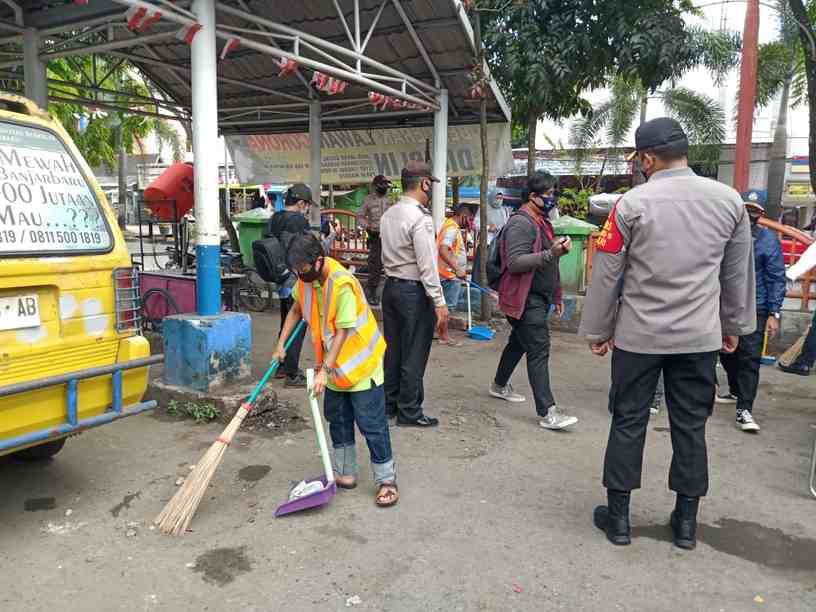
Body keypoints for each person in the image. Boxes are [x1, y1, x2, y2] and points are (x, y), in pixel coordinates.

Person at [579, 117, 756, 550]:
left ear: (647, 158)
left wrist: (599, 329)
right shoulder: (729, 202)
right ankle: (686, 525)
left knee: (628, 421)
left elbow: (607, 271)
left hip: (639, 337)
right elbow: (737, 273)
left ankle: (619, 521)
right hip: (699, 337)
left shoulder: (631, 204)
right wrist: (733, 326)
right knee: (691, 426)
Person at [274, 234, 398, 507]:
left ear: (319, 260)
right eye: (296, 271)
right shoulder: (306, 281)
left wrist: (323, 372)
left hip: (361, 366)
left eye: (303, 269)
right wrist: (281, 344)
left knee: (371, 424)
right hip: (332, 368)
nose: (300, 275)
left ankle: (386, 480)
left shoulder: (342, 284)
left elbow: (343, 332)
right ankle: (345, 473)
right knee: (338, 419)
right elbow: (295, 310)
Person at [489, 172, 578, 430]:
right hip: (524, 298)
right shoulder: (521, 223)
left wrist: (556, 294)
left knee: (518, 342)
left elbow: (550, 263)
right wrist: (552, 252)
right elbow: (515, 262)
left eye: (554, 193)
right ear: (532, 196)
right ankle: (548, 412)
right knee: (539, 348)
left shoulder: (541, 221)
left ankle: (499, 385)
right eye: (549, 194)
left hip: (536, 296)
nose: (553, 198)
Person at [379, 161, 448, 428]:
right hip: (413, 292)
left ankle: (389, 404)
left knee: (394, 350)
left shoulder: (389, 214)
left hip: (391, 288)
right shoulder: (420, 218)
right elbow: (427, 264)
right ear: (424, 183)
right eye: (431, 185)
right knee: (414, 352)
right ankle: (409, 411)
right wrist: (439, 301)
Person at [716, 199, 785, 432]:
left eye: (754, 211)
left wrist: (774, 312)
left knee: (749, 358)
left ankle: (744, 409)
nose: (749, 215)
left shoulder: (768, 240)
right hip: (724, 304)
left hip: (756, 307)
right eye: (746, 210)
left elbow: (776, 277)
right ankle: (736, 390)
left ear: (760, 214)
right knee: (725, 353)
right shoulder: (724, 235)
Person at [266, 183, 313, 388]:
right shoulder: (298, 221)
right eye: (307, 205)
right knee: (297, 327)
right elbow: (304, 249)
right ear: (301, 203)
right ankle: (292, 374)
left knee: (286, 322)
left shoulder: (275, 218)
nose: (307, 209)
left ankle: (281, 365)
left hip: (279, 278)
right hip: (294, 279)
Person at [436, 203, 475, 344]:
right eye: (469, 219)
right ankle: (444, 337)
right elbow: (443, 249)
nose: (470, 223)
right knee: (448, 307)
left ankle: (437, 333)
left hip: (445, 273)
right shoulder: (452, 229)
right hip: (450, 276)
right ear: (463, 216)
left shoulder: (448, 225)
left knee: (441, 307)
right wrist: (457, 268)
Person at [356, 175, 391, 305]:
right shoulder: (368, 200)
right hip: (375, 236)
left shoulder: (391, 200)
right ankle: (372, 292)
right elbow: (360, 216)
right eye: (382, 185)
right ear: (375, 186)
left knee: (391, 264)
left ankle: (388, 294)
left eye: (386, 185)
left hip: (389, 236)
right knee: (375, 265)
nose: (385, 187)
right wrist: (368, 226)